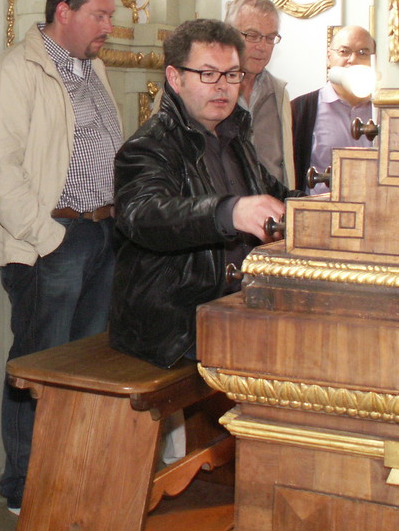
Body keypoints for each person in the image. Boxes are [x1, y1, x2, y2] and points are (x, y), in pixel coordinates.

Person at [0, 0, 124, 513]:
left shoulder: (92, 69)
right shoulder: (15, 71)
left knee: (84, 369)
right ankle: (24, 489)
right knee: (38, 366)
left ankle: (70, 477)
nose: (109, 25)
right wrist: (48, 237)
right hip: (52, 242)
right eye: (100, 14)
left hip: (101, 234)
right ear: (65, 11)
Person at [110, 18, 298, 369]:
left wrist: (327, 205)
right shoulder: (147, 147)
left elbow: (276, 196)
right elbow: (145, 216)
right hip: (177, 325)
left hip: (235, 308)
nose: (223, 87)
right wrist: (228, 213)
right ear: (174, 78)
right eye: (208, 74)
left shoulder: (235, 136)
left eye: (232, 74)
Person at [290, 25, 376, 193]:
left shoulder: (383, 110)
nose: (353, 60)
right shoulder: (301, 109)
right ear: (329, 57)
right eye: (344, 52)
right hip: (319, 211)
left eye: (363, 53)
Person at [225, 0, 294, 187]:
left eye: (270, 38)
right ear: (228, 35)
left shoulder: (279, 94)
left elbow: (285, 170)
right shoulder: (204, 88)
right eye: (253, 36)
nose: (262, 47)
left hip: (271, 213)